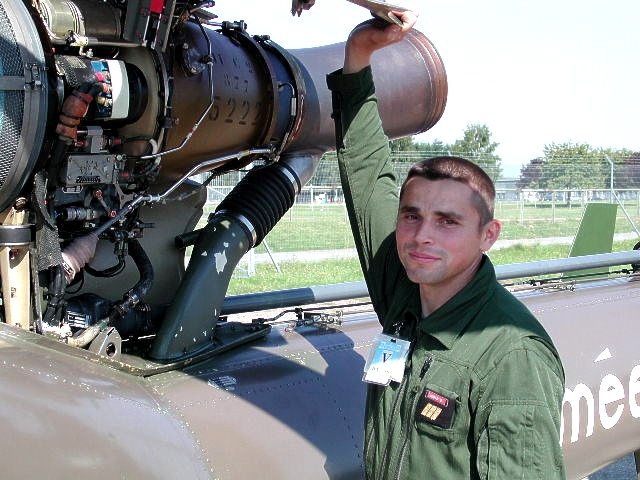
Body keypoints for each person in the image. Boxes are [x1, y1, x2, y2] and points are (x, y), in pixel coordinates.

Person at [326, 11, 567, 479]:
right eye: (411, 216)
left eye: (448, 221)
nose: (422, 235)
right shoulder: (405, 295)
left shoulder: (512, 356)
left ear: (488, 235)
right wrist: (359, 57)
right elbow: (367, 174)